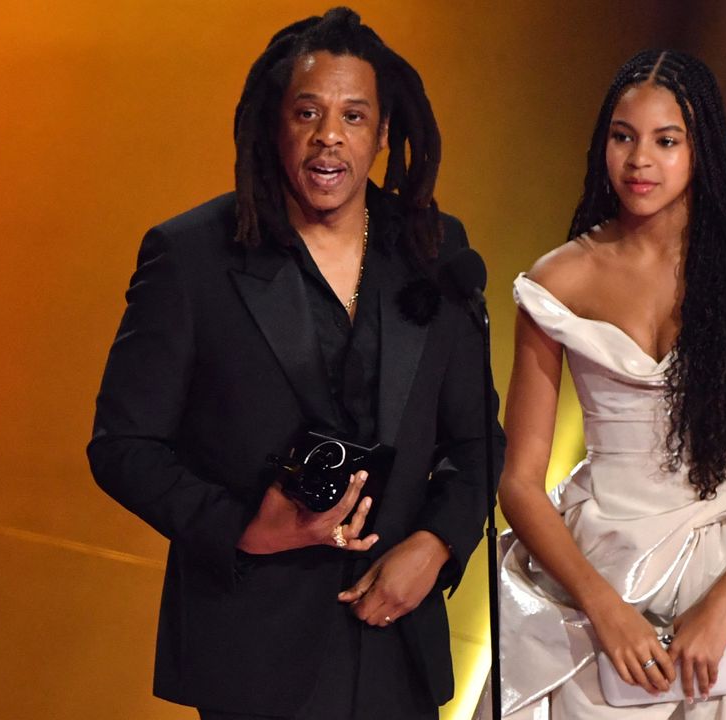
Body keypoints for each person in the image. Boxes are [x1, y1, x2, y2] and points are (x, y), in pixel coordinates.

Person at [86, 7, 502, 720]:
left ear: (381, 133)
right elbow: (122, 447)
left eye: (353, 115)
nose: (329, 136)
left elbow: (477, 441)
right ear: (273, 124)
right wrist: (246, 526)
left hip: (394, 641)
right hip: (254, 651)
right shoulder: (192, 257)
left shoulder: (432, 247)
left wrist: (435, 545)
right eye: (307, 112)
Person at [488, 50, 726, 718]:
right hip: (596, 563)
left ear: (701, 150)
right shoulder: (556, 282)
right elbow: (519, 481)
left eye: (666, 141)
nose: (639, 161)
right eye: (623, 137)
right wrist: (604, 607)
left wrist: (723, 606)